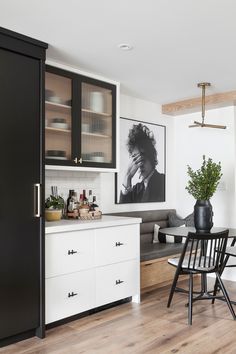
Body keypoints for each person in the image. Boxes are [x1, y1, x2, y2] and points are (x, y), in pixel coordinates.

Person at [119, 123, 165, 203]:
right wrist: (127, 177)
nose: (139, 163)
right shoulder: (136, 189)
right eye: (135, 159)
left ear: (152, 156)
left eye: (142, 156)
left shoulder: (164, 181)